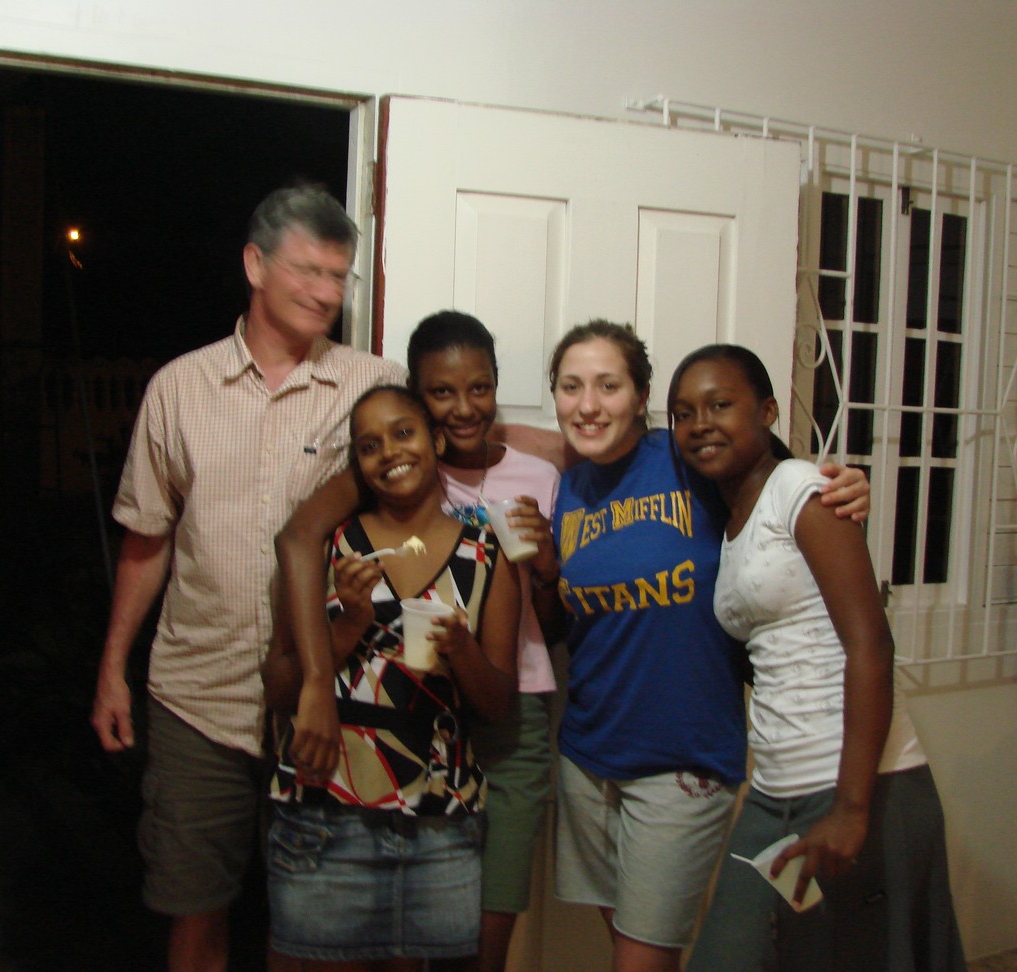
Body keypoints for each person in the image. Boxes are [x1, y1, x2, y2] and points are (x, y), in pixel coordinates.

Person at [89, 184, 406, 972]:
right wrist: (112, 669)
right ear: (255, 265)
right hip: (198, 698)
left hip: (329, 697)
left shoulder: (372, 385)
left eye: (338, 276)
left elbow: (448, 452)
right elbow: (147, 540)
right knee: (195, 914)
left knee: (315, 926)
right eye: (308, 271)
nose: (326, 294)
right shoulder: (179, 388)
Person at [543, 320, 870, 972]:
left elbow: (777, 482)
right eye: (570, 386)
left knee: (641, 957)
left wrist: (842, 486)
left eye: (608, 385)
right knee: (631, 943)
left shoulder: (686, 457)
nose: (588, 404)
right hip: (587, 755)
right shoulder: (570, 487)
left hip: (683, 759)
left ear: (642, 397)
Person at [272, 311, 563, 972]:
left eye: (479, 388)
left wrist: (543, 569)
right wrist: (329, 658)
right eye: (441, 393)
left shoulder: (520, 501)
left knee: (468, 941)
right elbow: (297, 542)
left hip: (477, 750)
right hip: (364, 767)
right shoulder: (363, 500)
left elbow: (542, 640)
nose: (463, 408)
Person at [668, 344, 966, 972]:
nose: (700, 424)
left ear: (767, 410)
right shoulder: (732, 519)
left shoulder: (799, 487)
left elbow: (870, 645)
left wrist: (852, 810)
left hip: (861, 785)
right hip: (774, 791)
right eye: (683, 413)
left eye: (720, 405)